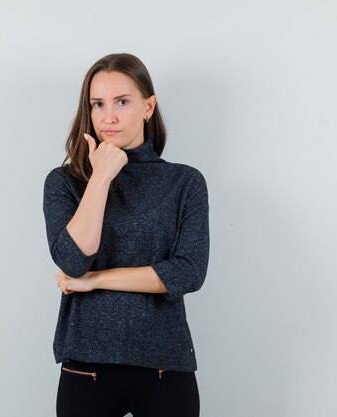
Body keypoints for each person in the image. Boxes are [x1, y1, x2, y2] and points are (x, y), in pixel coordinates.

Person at [42, 52, 210, 417]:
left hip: (166, 366)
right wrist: (101, 175)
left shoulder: (185, 182)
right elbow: (73, 259)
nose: (109, 117)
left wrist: (96, 280)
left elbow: (188, 273)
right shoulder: (65, 182)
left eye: (122, 102)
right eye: (98, 104)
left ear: (148, 107)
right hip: (87, 367)